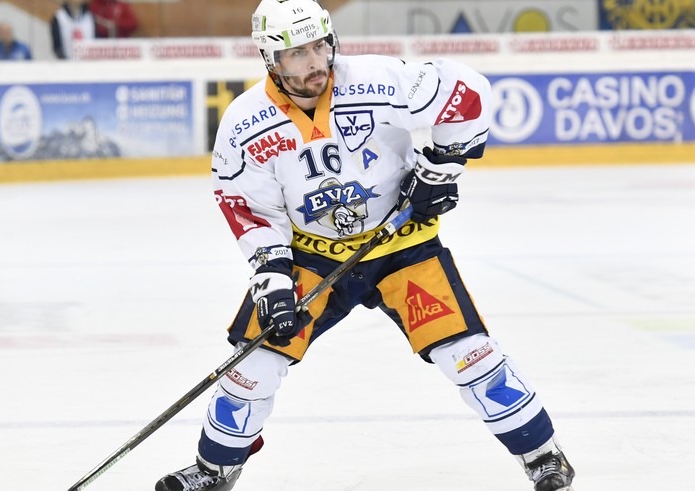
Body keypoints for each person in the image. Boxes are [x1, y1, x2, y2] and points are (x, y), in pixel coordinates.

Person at [154, 1, 576, 491]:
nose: (315, 62)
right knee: (254, 365)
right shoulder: (245, 122)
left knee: (469, 355)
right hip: (311, 257)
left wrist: (442, 167)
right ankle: (215, 470)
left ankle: (543, 455)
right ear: (270, 59)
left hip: (403, 243)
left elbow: (468, 94)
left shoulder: (377, 80)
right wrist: (270, 276)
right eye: (297, 54)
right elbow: (248, 206)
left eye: (320, 46)